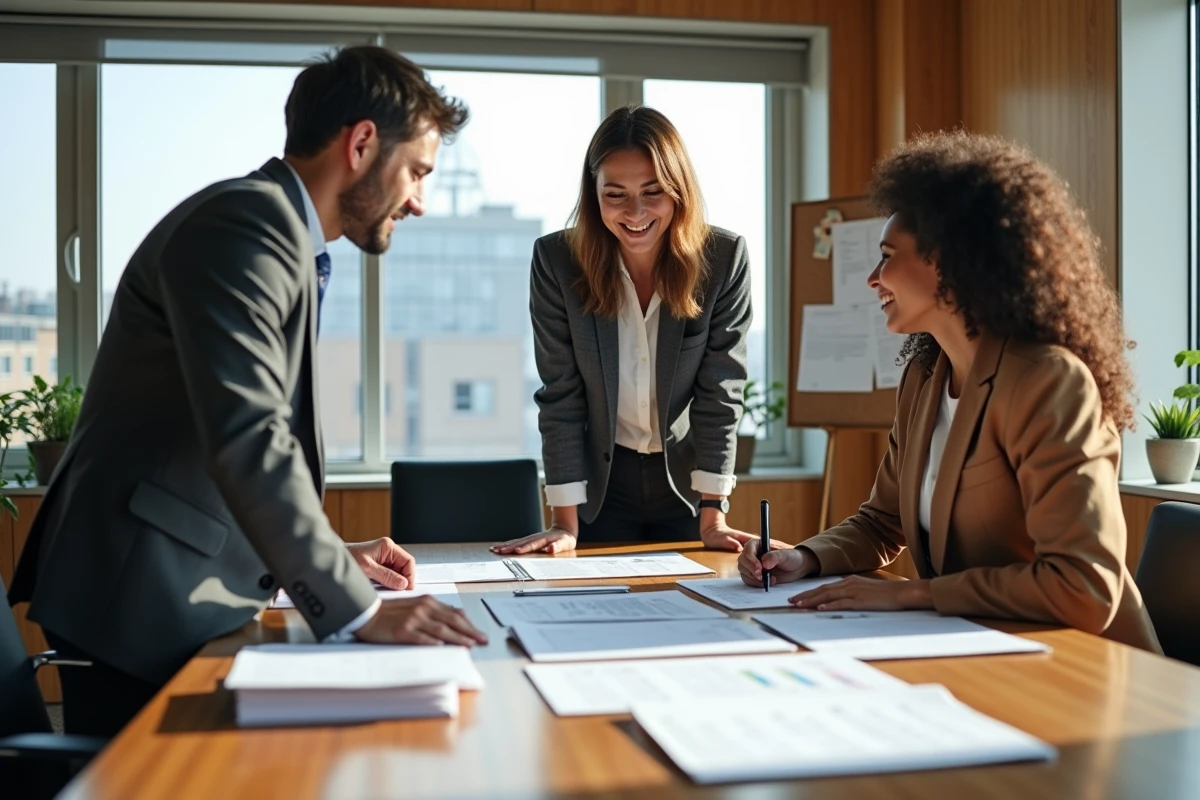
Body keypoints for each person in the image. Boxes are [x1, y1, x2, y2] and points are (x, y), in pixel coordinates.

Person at [8, 46, 488, 737]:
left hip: (169, 588)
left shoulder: (276, 234)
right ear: (361, 144)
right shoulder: (247, 225)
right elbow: (249, 435)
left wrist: (327, 554)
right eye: (416, 171)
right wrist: (357, 606)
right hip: (139, 599)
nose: (418, 200)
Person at [739, 130, 1160, 652]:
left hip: (1086, 663)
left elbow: (1084, 587)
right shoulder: (924, 377)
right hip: (984, 647)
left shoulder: (1047, 381)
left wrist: (917, 594)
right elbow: (883, 521)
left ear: (949, 261)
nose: (873, 278)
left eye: (888, 255)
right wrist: (804, 558)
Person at [493, 106, 783, 556]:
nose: (635, 212)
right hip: (600, 490)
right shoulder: (557, 262)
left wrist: (714, 514)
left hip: (687, 484)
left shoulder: (724, 259)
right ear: (594, 196)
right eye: (615, 194)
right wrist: (563, 523)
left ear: (678, 192)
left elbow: (720, 391)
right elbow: (561, 393)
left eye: (653, 192)